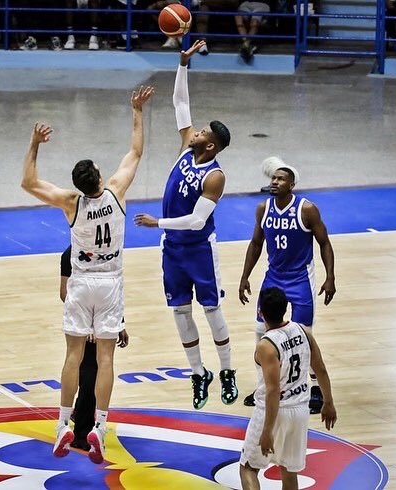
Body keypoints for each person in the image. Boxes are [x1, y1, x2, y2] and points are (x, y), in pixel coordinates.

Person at [21, 85, 154, 464]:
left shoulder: (70, 203)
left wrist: (34, 144)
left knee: (74, 354)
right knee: (107, 358)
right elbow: (136, 152)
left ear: (78, 185)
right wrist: (136, 111)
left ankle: (63, 424)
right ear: (98, 175)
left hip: (80, 282)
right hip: (110, 282)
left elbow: (28, 183)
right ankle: (100, 426)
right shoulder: (115, 191)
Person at [134, 40, 237, 411]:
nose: (195, 130)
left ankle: (226, 371)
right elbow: (180, 104)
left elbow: (196, 222)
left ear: (210, 146)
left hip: (197, 249)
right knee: (180, 313)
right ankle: (199, 374)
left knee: (211, 311)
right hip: (172, 250)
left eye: (203, 131)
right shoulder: (185, 149)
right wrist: (182, 64)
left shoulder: (215, 176)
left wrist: (155, 222)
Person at [238, 161, 336, 414]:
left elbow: (324, 243)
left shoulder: (307, 209)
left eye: (281, 179)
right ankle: (264, 386)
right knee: (261, 332)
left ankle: (311, 387)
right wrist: (245, 276)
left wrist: (330, 277)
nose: (275, 181)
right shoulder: (263, 209)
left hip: (300, 278)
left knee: (304, 335)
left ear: (292, 185)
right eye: (273, 178)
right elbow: (256, 243)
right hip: (274, 276)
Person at [239, 287, 337, 490]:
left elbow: (273, 390)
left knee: (248, 468)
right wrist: (328, 402)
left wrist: (267, 430)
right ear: (286, 309)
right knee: (289, 473)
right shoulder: (304, 332)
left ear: (260, 312)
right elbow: (320, 369)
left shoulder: (266, 346)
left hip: (273, 411)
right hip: (300, 410)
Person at [59, 245, 129, 451]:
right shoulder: (69, 255)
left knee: (94, 379)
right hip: (84, 326)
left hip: (101, 323)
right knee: (88, 381)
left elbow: (114, 294)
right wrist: (87, 324)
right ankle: (82, 435)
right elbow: (65, 293)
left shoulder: (108, 253)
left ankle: (80, 420)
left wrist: (120, 323)